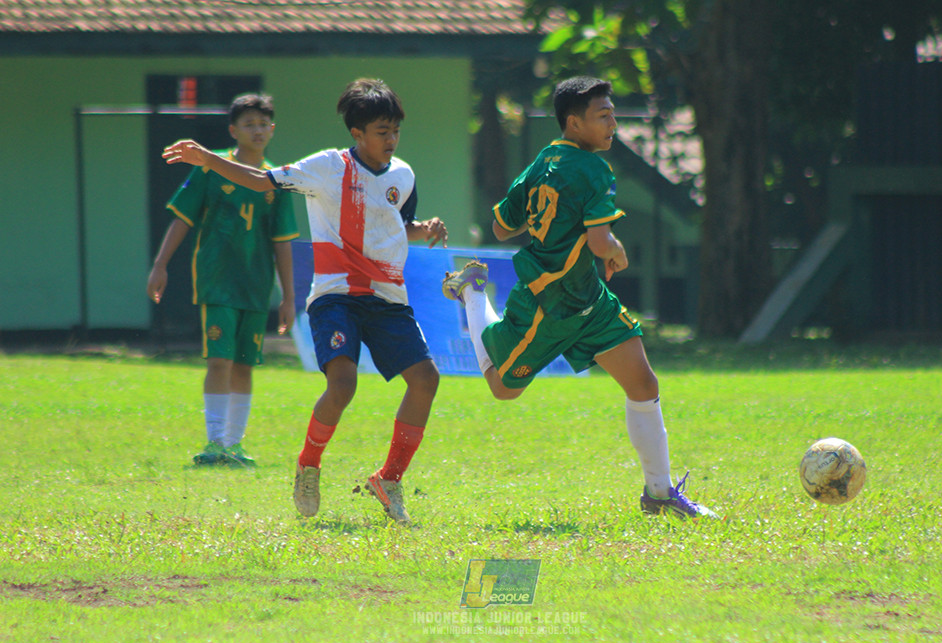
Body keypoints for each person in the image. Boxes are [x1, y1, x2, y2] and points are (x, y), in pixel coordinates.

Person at [162, 78, 449, 524]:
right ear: (357, 134)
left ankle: (388, 479)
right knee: (344, 384)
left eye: (395, 131)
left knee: (427, 379)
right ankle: (309, 465)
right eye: (381, 132)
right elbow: (262, 180)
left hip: (388, 297)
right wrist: (209, 160)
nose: (391, 140)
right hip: (336, 297)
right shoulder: (326, 167)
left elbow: (398, 224)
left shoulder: (403, 175)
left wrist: (424, 228)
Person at [442, 76, 717, 519]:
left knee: (643, 384)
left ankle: (660, 494)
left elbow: (499, 226)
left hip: (588, 297)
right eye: (603, 116)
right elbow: (599, 242)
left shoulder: (543, 160)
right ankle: (474, 294)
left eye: (613, 114)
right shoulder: (594, 170)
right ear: (574, 122)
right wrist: (617, 250)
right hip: (548, 303)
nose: (613, 124)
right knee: (502, 389)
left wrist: (551, 219)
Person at [149, 92, 299, 467]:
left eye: (264, 123)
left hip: (255, 285)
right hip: (217, 281)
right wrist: (160, 265)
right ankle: (214, 442)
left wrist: (289, 297)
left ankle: (234, 445)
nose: (257, 130)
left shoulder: (278, 182)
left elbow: (282, 245)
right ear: (233, 130)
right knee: (219, 361)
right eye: (249, 124)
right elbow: (182, 218)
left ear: (273, 129)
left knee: (245, 364)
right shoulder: (209, 167)